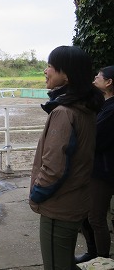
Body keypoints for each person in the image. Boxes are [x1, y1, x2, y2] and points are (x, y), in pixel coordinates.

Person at [29, 46, 104, 269]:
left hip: (58, 207)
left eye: (50, 66)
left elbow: (54, 168)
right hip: (76, 200)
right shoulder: (86, 107)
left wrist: (37, 194)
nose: (45, 70)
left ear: (67, 74)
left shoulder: (64, 112)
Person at [75, 65, 114, 263]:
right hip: (97, 167)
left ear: (109, 82)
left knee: (96, 217)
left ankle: (102, 260)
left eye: (98, 76)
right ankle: (93, 253)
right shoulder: (104, 104)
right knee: (87, 214)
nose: (94, 78)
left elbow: (96, 139)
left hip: (103, 171)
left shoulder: (111, 109)